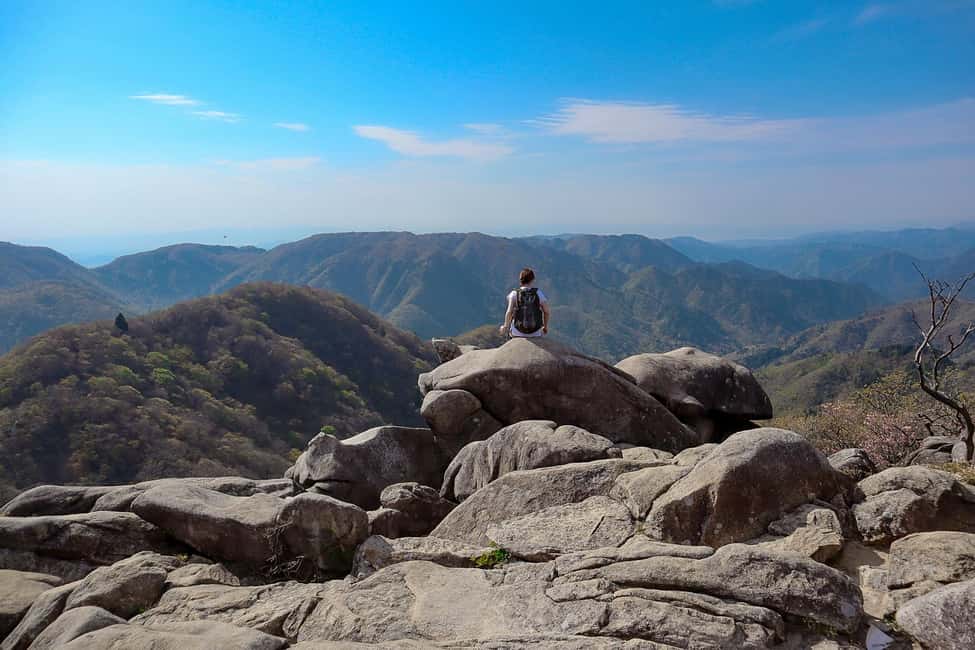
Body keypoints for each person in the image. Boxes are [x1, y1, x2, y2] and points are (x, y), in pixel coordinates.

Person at [500, 267, 550, 338]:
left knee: (511, 328)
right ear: (533, 280)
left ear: (520, 280)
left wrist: (505, 326)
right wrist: (545, 327)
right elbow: (546, 312)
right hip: (536, 332)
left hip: (517, 332)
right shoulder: (538, 293)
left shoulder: (514, 293)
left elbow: (509, 312)